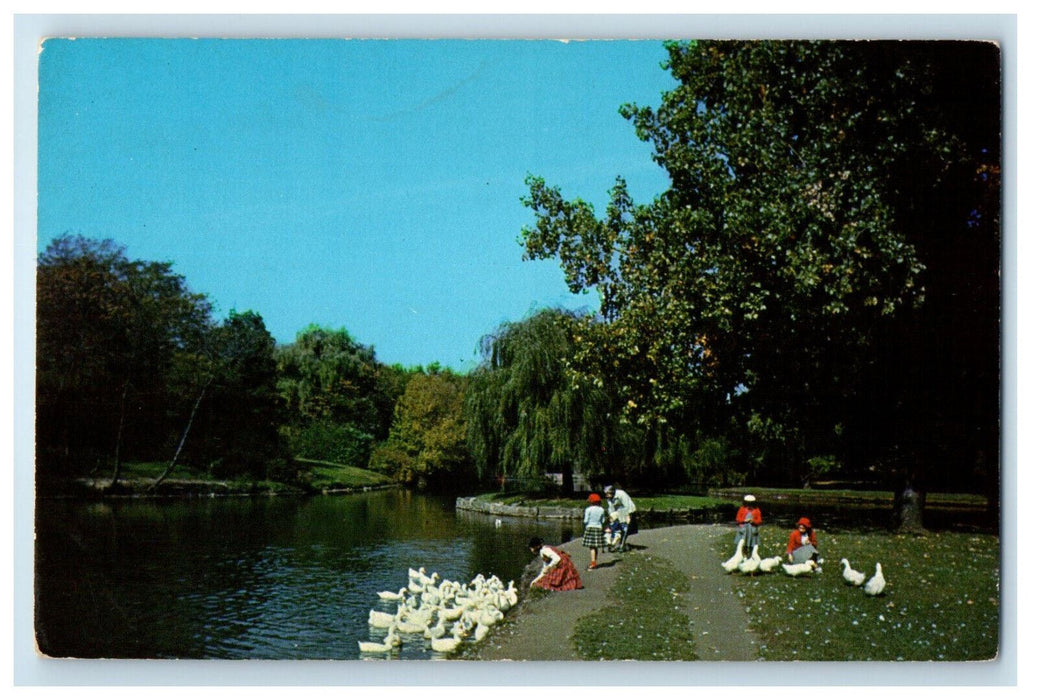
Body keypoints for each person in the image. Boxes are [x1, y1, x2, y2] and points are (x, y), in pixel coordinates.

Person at [604, 483, 637, 552]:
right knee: (616, 527)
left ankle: (622, 544)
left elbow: (627, 505)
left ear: (612, 492)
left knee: (625, 528)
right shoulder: (609, 498)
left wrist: (628, 516)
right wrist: (611, 517)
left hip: (628, 510)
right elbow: (611, 508)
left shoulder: (621, 494)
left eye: (608, 493)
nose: (607, 495)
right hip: (619, 512)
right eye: (606, 494)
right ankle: (614, 542)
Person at [582, 493, 607, 570]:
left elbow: (585, 520)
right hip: (598, 528)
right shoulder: (602, 510)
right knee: (595, 547)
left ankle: (593, 563)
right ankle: (594, 561)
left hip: (590, 528)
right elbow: (603, 521)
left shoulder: (588, 509)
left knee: (592, 547)